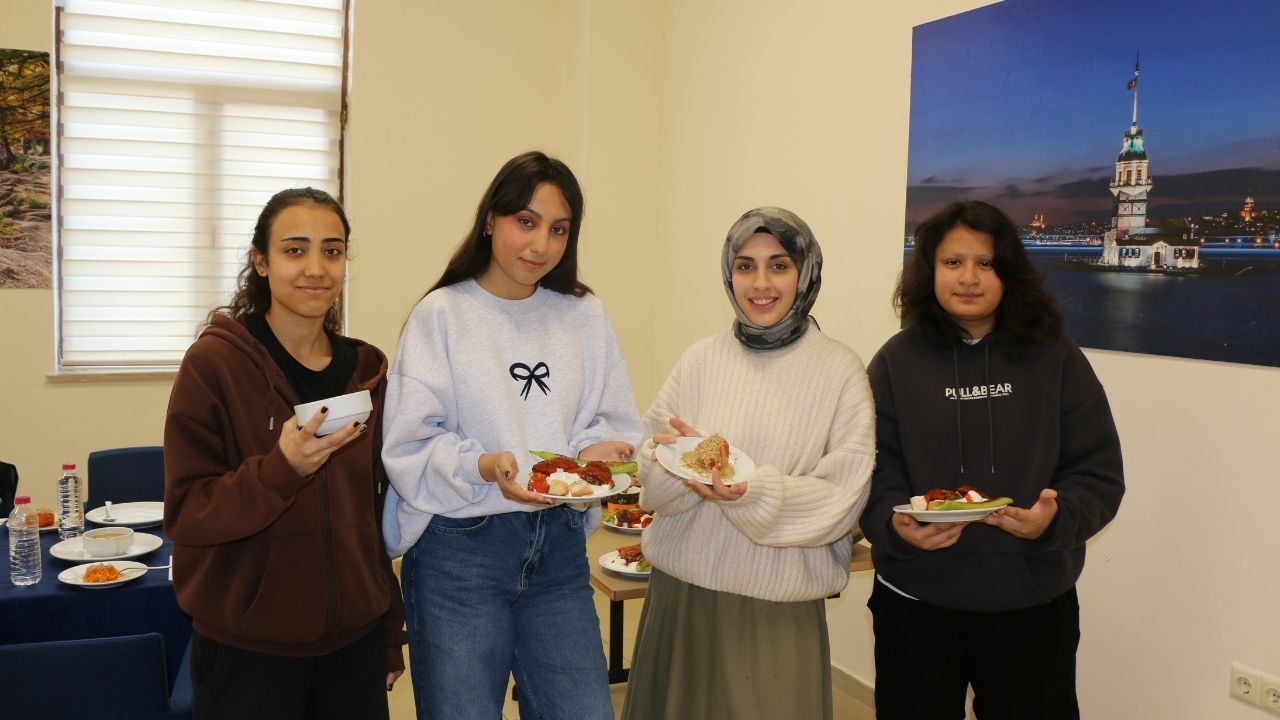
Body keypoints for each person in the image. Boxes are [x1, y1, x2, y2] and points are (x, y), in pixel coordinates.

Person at [381, 150, 642, 720]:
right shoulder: (442, 315)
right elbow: (407, 444)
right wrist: (481, 465)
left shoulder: (584, 315)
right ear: (489, 220)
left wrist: (595, 451)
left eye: (559, 229)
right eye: (526, 221)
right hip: (460, 550)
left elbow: (611, 418)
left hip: (559, 547)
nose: (541, 244)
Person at [862, 200, 1125, 719]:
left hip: (1032, 601)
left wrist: (1056, 518)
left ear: (1009, 272)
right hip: (915, 601)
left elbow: (1098, 473)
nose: (969, 277)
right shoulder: (895, 361)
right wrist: (896, 528)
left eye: (986, 262)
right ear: (929, 270)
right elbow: (870, 470)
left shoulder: (1055, 356)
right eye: (952, 262)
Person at [621, 207, 875, 720]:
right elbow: (650, 474)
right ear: (728, 273)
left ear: (805, 272)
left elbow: (843, 499)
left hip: (776, 609)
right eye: (745, 266)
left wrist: (752, 492)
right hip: (681, 596)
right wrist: (672, 465)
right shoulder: (700, 360)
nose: (760, 284)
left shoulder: (840, 370)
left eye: (779, 265)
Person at [163, 188, 406, 719]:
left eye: (332, 251)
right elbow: (188, 512)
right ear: (261, 261)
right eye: (295, 250)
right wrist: (282, 470)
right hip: (248, 652)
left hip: (354, 645)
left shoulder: (366, 372)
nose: (315, 268)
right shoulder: (214, 365)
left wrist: (389, 628)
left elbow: (371, 515)